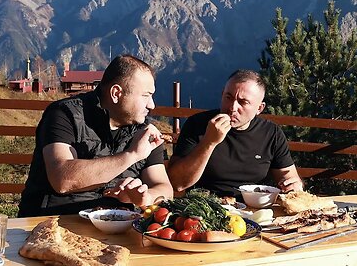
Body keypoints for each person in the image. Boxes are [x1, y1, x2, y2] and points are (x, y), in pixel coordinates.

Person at [18, 54, 173, 217]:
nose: (152, 105)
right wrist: (131, 155)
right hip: (54, 223)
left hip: (119, 228)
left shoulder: (145, 131)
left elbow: (165, 188)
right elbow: (62, 180)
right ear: (116, 93)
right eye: (145, 95)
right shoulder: (64, 114)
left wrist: (144, 198)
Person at [167, 69, 303, 199]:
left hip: (254, 209)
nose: (232, 107)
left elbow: (289, 177)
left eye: (243, 102)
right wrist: (209, 142)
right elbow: (177, 183)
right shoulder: (198, 124)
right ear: (222, 95)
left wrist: (294, 185)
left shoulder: (271, 133)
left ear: (259, 108)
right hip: (206, 208)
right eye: (228, 97)